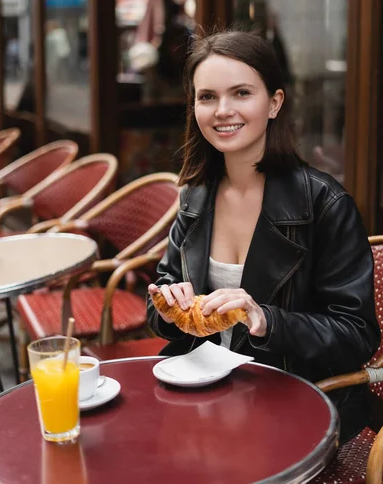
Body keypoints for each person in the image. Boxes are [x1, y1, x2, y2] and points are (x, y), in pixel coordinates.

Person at [147, 29, 380, 445]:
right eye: (207, 97)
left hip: (295, 401)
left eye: (241, 93)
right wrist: (168, 307)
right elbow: (163, 298)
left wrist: (265, 319)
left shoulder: (326, 204)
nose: (222, 111)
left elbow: (357, 336)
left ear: (274, 103)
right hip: (205, 396)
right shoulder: (195, 197)